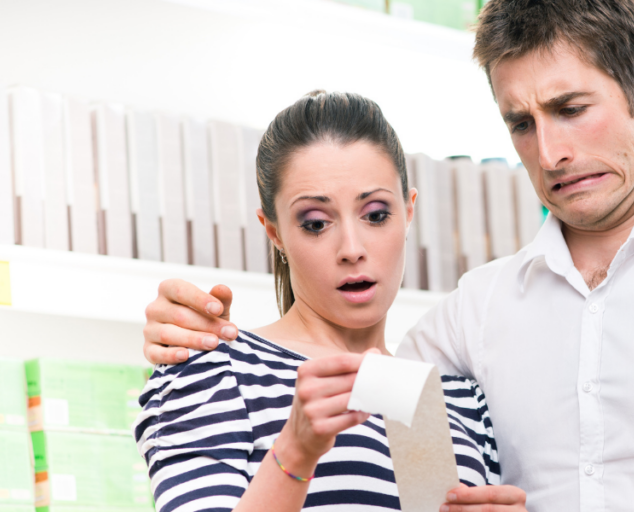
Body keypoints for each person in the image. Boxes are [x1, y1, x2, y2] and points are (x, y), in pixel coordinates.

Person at [141, 1, 634, 510]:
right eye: (521, 122)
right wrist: (192, 333)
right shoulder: (473, 319)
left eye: (572, 109)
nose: (550, 152)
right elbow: (358, 386)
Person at [134, 91, 527, 512]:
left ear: (409, 212)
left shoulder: (459, 399)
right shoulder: (216, 371)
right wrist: (294, 453)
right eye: (316, 223)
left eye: (376, 214)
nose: (351, 248)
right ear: (275, 232)